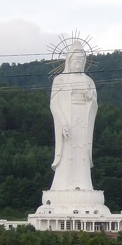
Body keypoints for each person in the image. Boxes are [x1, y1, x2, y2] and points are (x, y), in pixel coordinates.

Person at [49, 40, 97, 192]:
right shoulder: (60, 80)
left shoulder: (88, 81)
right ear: (69, 61)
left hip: (82, 118)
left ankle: (83, 184)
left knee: (81, 151)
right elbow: (54, 104)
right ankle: (63, 185)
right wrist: (62, 122)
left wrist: (90, 98)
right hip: (67, 120)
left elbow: (94, 102)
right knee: (68, 151)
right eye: (76, 61)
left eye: (81, 61)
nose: (78, 64)